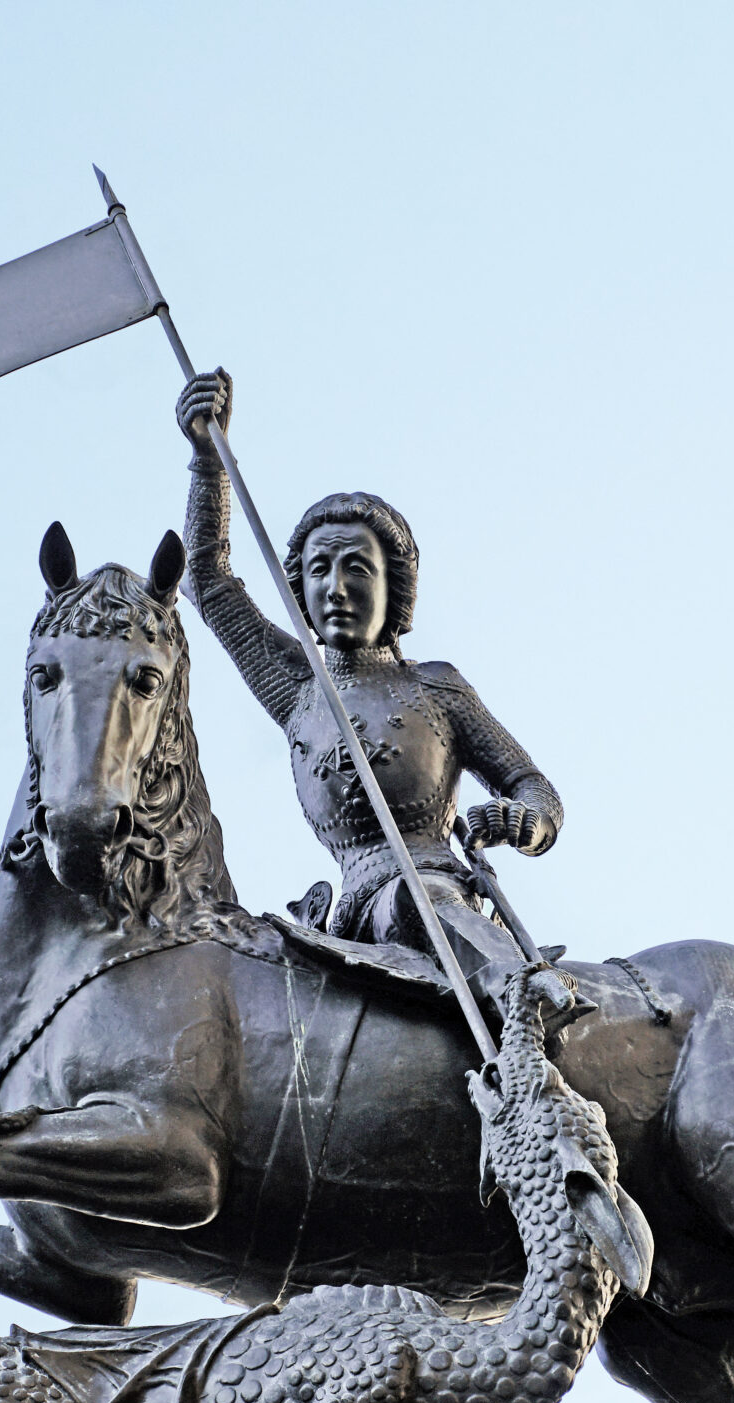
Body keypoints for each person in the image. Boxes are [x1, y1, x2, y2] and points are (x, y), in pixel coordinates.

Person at [175, 369, 561, 977]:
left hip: (432, 892)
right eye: (318, 569)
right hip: (344, 914)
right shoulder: (297, 690)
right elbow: (206, 577)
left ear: (392, 588)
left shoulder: (434, 689)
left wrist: (524, 820)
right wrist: (207, 461)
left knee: (418, 902)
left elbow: (533, 788)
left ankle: (521, 1010)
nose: (335, 587)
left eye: (356, 568)